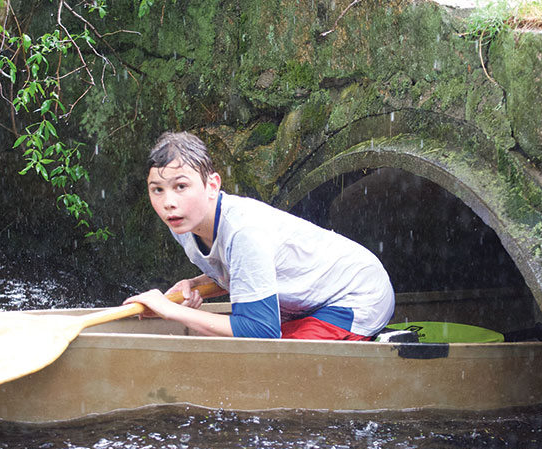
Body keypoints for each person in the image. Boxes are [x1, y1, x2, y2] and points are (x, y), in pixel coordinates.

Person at [124, 131, 394, 340]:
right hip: (303, 302)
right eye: (157, 189)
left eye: (181, 186)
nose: (168, 202)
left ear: (212, 186)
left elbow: (261, 331)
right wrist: (194, 285)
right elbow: (243, 269)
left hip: (356, 297)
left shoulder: (243, 231)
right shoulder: (181, 221)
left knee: (272, 364)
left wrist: (171, 310)